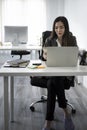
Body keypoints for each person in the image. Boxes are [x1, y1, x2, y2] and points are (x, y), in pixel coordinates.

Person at [42, 16, 78, 130]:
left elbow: (75, 54)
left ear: (66, 28)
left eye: (61, 27)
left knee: (52, 83)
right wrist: (45, 55)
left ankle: (48, 124)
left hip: (66, 74)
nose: (59, 30)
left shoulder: (72, 39)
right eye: (56, 27)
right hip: (52, 72)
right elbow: (43, 56)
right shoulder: (49, 40)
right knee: (53, 80)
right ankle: (66, 113)